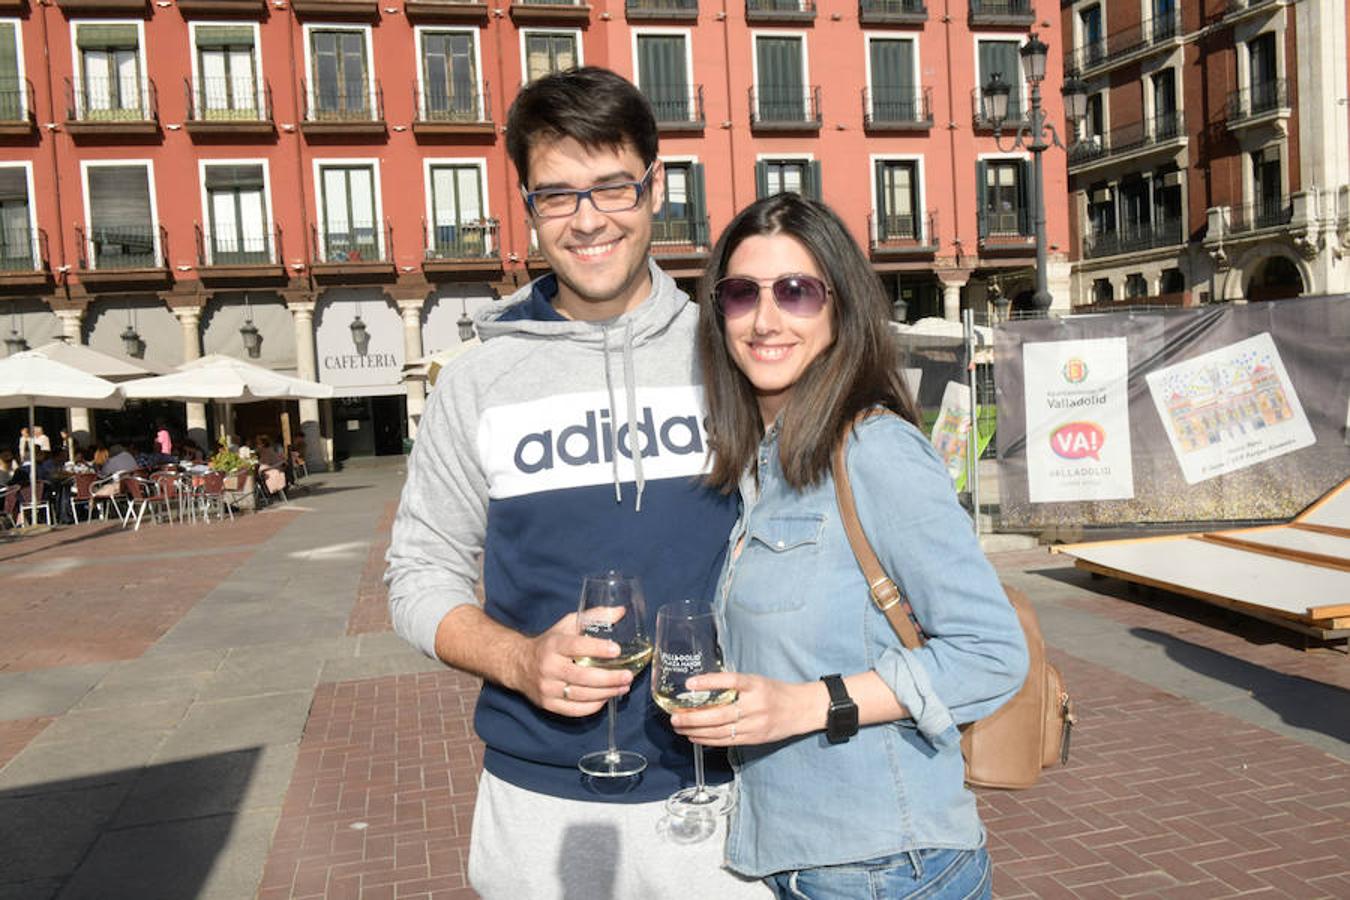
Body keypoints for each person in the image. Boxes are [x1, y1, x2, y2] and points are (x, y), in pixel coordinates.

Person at [385, 67, 764, 900]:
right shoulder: (474, 384)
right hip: (538, 803)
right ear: (527, 206)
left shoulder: (733, 355)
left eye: (612, 188)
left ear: (655, 188)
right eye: (558, 196)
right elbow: (417, 577)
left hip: (725, 788)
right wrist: (517, 659)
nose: (588, 220)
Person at [672, 194, 1029, 898]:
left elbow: (992, 653)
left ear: (840, 309)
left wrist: (807, 705)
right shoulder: (758, 466)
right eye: (742, 293)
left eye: (797, 292)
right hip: (804, 865)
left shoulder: (873, 450)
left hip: (889, 871)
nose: (766, 319)